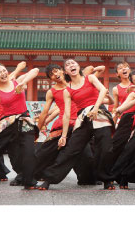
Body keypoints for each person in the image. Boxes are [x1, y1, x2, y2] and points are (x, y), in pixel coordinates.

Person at [32, 61, 110, 189]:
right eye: (67, 65)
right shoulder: (66, 91)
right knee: (70, 150)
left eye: (73, 63)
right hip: (81, 119)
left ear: (78, 67)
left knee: (105, 147)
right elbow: (65, 113)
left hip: (99, 113)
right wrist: (63, 136)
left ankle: (107, 180)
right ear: (66, 71)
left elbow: (103, 89)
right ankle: (49, 179)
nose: (71, 65)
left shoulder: (89, 77)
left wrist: (95, 108)